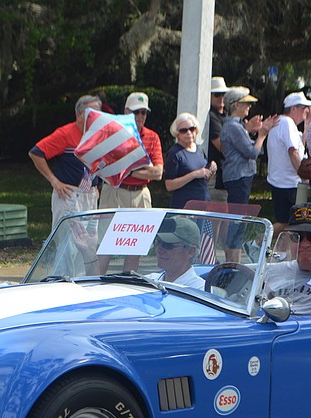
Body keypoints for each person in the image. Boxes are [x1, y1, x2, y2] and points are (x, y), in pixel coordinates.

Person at [98, 91, 164, 274]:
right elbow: (107, 169)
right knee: (106, 245)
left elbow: (158, 173)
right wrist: (141, 167)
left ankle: (127, 286)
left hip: (141, 194)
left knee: (135, 246)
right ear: (126, 111)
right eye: (137, 112)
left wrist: (128, 168)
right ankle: (94, 285)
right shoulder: (112, 133)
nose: (141, 116)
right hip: (115, 190)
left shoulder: (152, 137)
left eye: (144, 112)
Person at [29, 95, 102, 231]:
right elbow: (36, 153)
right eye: (89, 113)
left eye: (97, 113)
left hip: (90, 195)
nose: (94, 117)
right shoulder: (65, 134)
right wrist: (54, 181)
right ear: (78, 114)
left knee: (89, 242)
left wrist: (95, 184)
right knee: (68, 243)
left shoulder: (97, 135)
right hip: (69, 195)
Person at [74, 216, 205, 289]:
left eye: (167, 245)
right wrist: (89, 254)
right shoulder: (151, 280)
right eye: (158, 242)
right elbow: (102, 292)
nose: (159, 249)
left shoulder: (200, 290)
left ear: (190, 251)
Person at [220, 87, 276, 208]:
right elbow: (252, 153)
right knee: (237, 218)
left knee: (240, 216)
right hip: (238, 176)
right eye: (246, 103)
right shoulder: (233, 126)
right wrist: (262, 135)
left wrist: (252, 132)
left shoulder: (238, 125)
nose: (249, 106)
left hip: (241, 176)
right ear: (236, 105)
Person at [267, 91, 311, 236]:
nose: (307, 111)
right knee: (288, 222)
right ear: (293, 109)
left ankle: (282, 251)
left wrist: (306, 129)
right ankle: (258, 241)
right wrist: (303, 174)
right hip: (286, 183)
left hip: (283, 181)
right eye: (303, 107)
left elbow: (299, 148)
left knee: (292, 222)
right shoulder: (287, 123)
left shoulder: (286, 124)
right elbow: (293, 152)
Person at [164, 113, 216, 209]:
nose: (189, 133)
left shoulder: (200, 150)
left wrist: (211, 170)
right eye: (183, 130)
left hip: (204, 204)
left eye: (192, 129)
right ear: (177, 133)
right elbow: (169, 185)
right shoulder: (175, 153)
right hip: (184, 207)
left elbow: (204, 179)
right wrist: (194, 174)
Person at [203, 76, 231, 203]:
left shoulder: (227, 115)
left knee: (226, 218)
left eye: (223, 94)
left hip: (228, 175)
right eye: (217, 94)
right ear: (209, 96)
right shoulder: (211, 117)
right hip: (215, 174)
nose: (221, 98)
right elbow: (222, 147)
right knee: (217, 217)